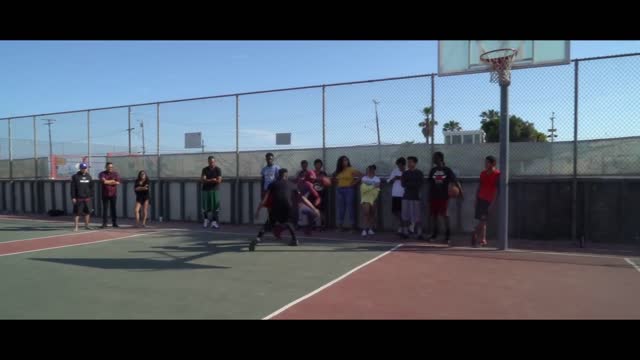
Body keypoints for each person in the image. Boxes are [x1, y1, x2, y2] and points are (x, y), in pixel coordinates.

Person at [251, 168, 320, 251]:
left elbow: (264, 199)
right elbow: (303, 198)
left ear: (278, 175)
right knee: (289, 222)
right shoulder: (293, 185)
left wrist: (258, 211)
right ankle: (294, 240)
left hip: (276, 207)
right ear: (286, 176)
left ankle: (258, 238)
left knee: (269, 223)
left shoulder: (272, 184)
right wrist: (314, 208)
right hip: (288, 207)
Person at [427, 152, 463, 243]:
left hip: (444, 196)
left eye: (435, 158)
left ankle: (448, 236)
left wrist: (461, 192)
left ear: (440, 159)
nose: (433, 159)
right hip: (433, 196)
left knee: (445, 215)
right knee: (434, 216)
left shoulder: (447, 170)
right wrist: (429, 195)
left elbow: (455, 181)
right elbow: (430, 184)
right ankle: (435, 234)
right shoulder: (432, 170)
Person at [472, 155, 500, 247]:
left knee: (483, 219)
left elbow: (496, 189)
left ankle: (476, 232)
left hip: (489, 200)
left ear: (493, 163)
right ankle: (482, 239)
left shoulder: (497, 174)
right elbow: (479, 187)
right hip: (481, 198)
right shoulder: (483, 174)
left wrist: (493, 203)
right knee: (483, 220)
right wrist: (476, 199)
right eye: (485, 162)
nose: (485, 164)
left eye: (487, 162)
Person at [332, 155, 362, 232]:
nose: (345, 162)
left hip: (349, 190)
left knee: (350, 207)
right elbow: (334, 178)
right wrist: (337, 183)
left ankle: (353, 227)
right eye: (343, 160)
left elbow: (361, 175)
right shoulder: (338, 171)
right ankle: (340, 226)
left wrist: (354, 183)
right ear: (340, 162)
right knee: (341, 208)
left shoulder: (351, 169)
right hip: (339, 190)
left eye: (346, 160)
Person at [401, 156, 424, 240]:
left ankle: (419, 233)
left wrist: (410, 183)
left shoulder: (419, 173)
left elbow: (419, 184)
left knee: (417, 217)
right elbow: (403, 184)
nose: (409, 164)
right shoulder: (405, 173)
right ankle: (405, 232)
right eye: (408, 162)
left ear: (415, 163)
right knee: (405, 216)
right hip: (406, 197)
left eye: (411, 162)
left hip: (416, 197)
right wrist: (412, 184)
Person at [70, 163, 94, 232]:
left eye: (85, 168)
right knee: (77, 213)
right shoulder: (75, 176)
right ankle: (76, 227)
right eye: (82, 168)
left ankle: (87, 226)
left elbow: (91, 187)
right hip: (78, 198)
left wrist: (91, 195)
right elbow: (72, 188)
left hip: (87, 198)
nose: (84, 169)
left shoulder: (89, 176)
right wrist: (73, 197)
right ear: (80, 168)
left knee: (87, 212)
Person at [201, 156, 222, 229]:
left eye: (212, 162)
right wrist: (212, 180)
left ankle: (214, 222)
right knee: (205, 206)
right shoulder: (204, 169)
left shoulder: (218, 169)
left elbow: (219, 181)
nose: (211, 163)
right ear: (208, 162)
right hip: (205, 190)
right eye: (210, 162)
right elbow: (203, 180)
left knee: (215, 207)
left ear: (214, 162)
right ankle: (206, 220)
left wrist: (208, 180)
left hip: (215, 190)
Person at [360, 165, 381, 237]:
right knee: (366, 213)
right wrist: (373, 186)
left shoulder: (377, 178)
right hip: (365, 198)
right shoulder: (364, 178)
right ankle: (364, 229)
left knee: (372, 213)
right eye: (368, 170)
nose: (369, 171)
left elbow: (377, 187)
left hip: (374, 198)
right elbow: (363, 188)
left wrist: (369, 186)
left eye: (371, 170)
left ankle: (370, 229)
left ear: (373, 170)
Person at [99, 162, 121, 228]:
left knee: (113, 209)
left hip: (113, 194)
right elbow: (103, 181)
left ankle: (114, 223)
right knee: (105, 209)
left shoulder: (115, 173)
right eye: (109, 167)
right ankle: (104, 223)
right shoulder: (102, 173)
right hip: (105, 194)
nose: (110, 168)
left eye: (111, 167)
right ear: (106, 167)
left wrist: (108, 181)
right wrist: (112, 181)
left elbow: (118, 182)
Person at [389, 157, 406, 235]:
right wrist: (394, 178)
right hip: (395, 194)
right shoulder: (395, 171)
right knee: (395, 211)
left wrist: (401, 177)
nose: (399, 167)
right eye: (398, 165)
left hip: (404, 194)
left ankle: (404, 227)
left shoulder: (407, 171)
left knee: (404, 212)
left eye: (400, 165)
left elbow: (407, 180)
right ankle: (402, 224)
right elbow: (389, 181)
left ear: (404, 165)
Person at [311, 159, 329, 230]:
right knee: (314, 209)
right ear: (314, 165)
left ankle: (323, 225)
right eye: (317, 164)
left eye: (319, 164)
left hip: (322, 194)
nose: (318, 165)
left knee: (322, 210)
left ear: (321, 165)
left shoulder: (323, 173)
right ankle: (315, 224)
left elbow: (326, 183)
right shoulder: (312, 173)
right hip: (314, 194)